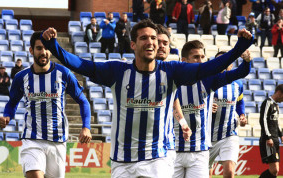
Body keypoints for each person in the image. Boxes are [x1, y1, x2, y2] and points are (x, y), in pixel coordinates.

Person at [41, 19, 253, 178]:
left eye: (154, 38)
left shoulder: (172, 71)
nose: (151, 42)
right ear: (133, 45)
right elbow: (83, 65)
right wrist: (54, 47)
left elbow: (208, 68)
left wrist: (238, 49)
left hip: (157, 158)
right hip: (122, 161)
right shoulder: (117, 71)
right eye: (144, 38)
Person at [0, 31, 92, 178]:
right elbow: (12, 103)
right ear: (31, 50)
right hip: (32, 139)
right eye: (39, 48)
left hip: (57, 140)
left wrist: (86, 127)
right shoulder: (21, 77)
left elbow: (83, 101)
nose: (44, 52)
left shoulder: (64, 74)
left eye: (47, 48)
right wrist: (7, 117)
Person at [173, 42, 252, 178]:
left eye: (203, 57)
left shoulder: (209, 80)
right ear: (184, 61)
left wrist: (246, 61)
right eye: (196, 57)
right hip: (173, 150)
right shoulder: (171, 80)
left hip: (199, 150)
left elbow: (241, 72)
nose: (201, 61)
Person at [156, 24, 192, 176]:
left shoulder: (171, 72)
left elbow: (174, 100)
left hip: (167, 144)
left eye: (166, 43)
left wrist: (183, 123)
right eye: (158, 42)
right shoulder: (133, 72)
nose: (162, 46)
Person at [209, 51, 248, 178]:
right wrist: (208, 107)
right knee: (205, 172)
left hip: (229, 132)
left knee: (230, 172)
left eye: (226, 61)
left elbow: (239, 102)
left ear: (230, 65)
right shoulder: (207, 81)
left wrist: (242, 115)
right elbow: (198, 101)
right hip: (208, 134)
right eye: (219, 61)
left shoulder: (238, 84)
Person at [259, 84, 283, 178]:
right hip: (269, 139)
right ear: (280, 93)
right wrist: (268, 137)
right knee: (274, 170)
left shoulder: (276, 105)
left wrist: (281, 134)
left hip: (275, 139)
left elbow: (277, 122)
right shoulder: (267, 102)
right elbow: (263, 120)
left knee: (275, 171)